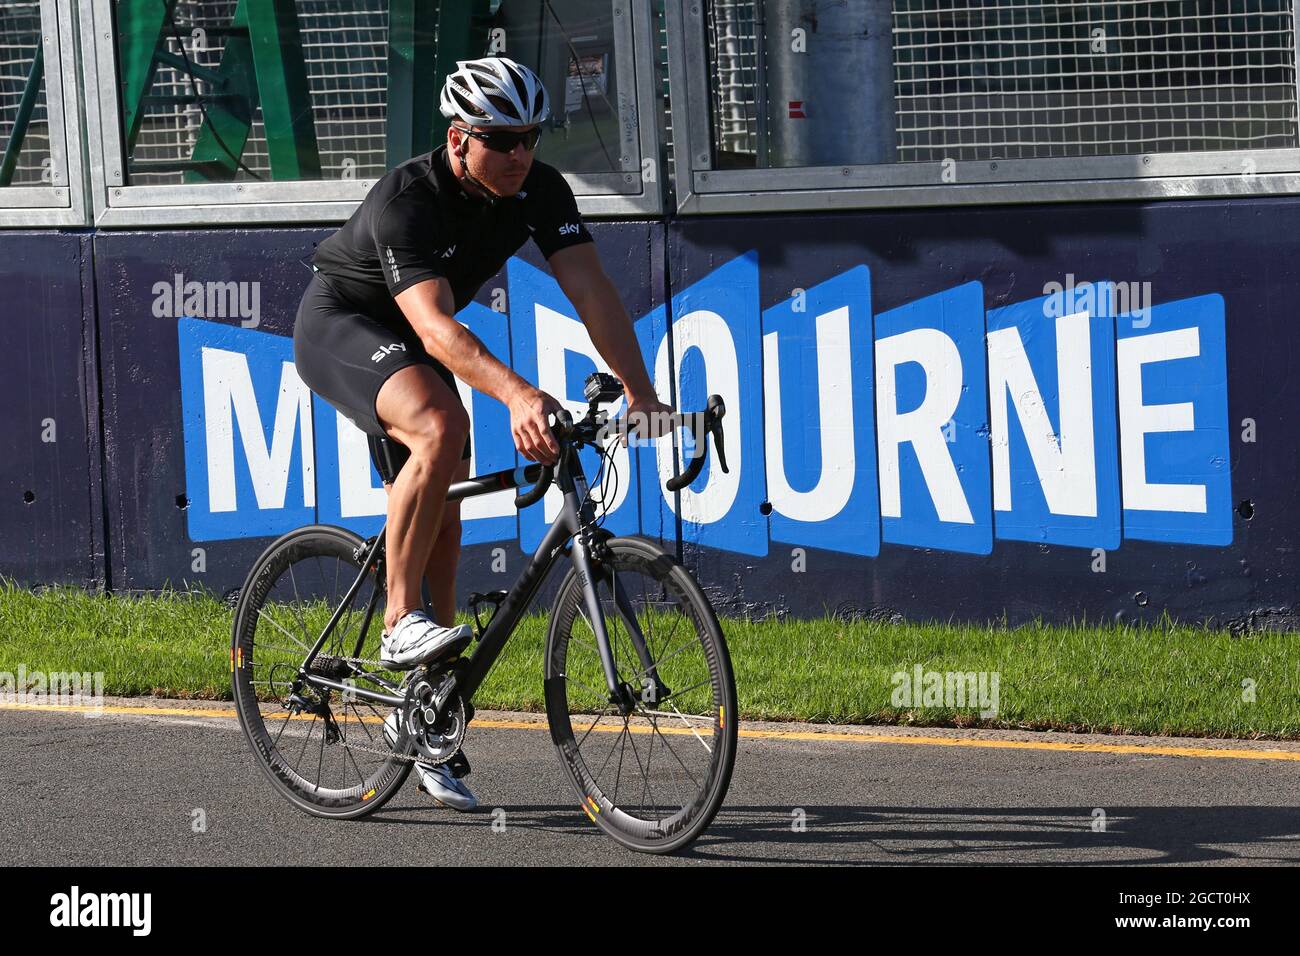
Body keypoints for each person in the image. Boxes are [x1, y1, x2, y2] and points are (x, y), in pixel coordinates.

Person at [292, 56, 673, 810]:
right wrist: (520, 394)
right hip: (345, 323)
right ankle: (400, 620)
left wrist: (642, 392)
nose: (521, 154)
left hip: (411, 336)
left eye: (531, 137)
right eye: (503, 140)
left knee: (450, 484)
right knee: (441, 421)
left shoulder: (539, 188)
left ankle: (427, 709)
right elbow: (433, 328)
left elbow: (590, 289)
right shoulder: (411, 199)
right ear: (459, 139)